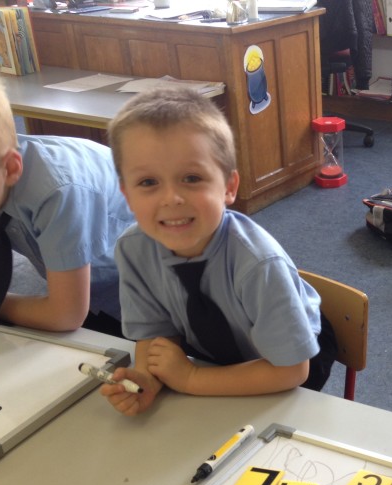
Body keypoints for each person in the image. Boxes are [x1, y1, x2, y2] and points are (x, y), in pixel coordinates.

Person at [101, 85, 335, 416]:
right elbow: (154, 334)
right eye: (148, 183)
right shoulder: (132, 250)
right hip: (212, 353)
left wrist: (193, 378)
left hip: (289, 356)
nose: (171, 198)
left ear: (229, 187)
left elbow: (292, 371)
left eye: (192, 178)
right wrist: (146, 377)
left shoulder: (257, 263)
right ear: (126, 194)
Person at [0, 63, 133, 334]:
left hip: (143, 293)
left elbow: (66, 315)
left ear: (10, 169)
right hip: (79, 289)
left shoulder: (57, 193)